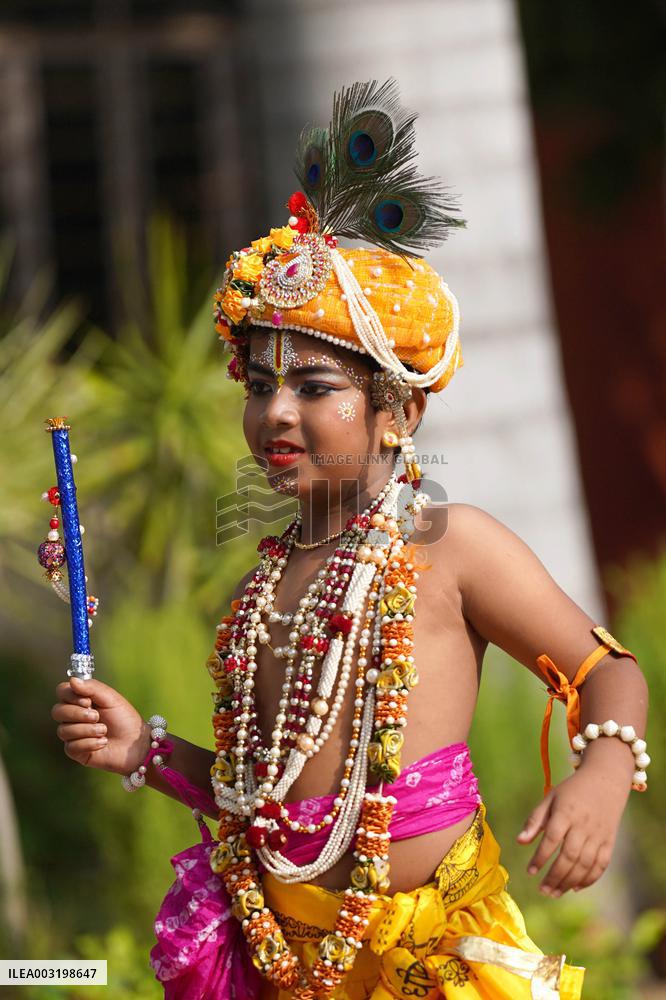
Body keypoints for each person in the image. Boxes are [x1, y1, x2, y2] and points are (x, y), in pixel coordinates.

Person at [51, 80, 649, 999]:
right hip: (280, 964)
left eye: (315, 388)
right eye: (258, 385)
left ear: (396, 412)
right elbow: (270, 803)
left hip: (430, 965)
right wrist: (149, 753)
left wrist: (603, 772)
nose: (275, 413)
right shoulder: (265, 578)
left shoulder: (450, 546)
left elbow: (609, 669)